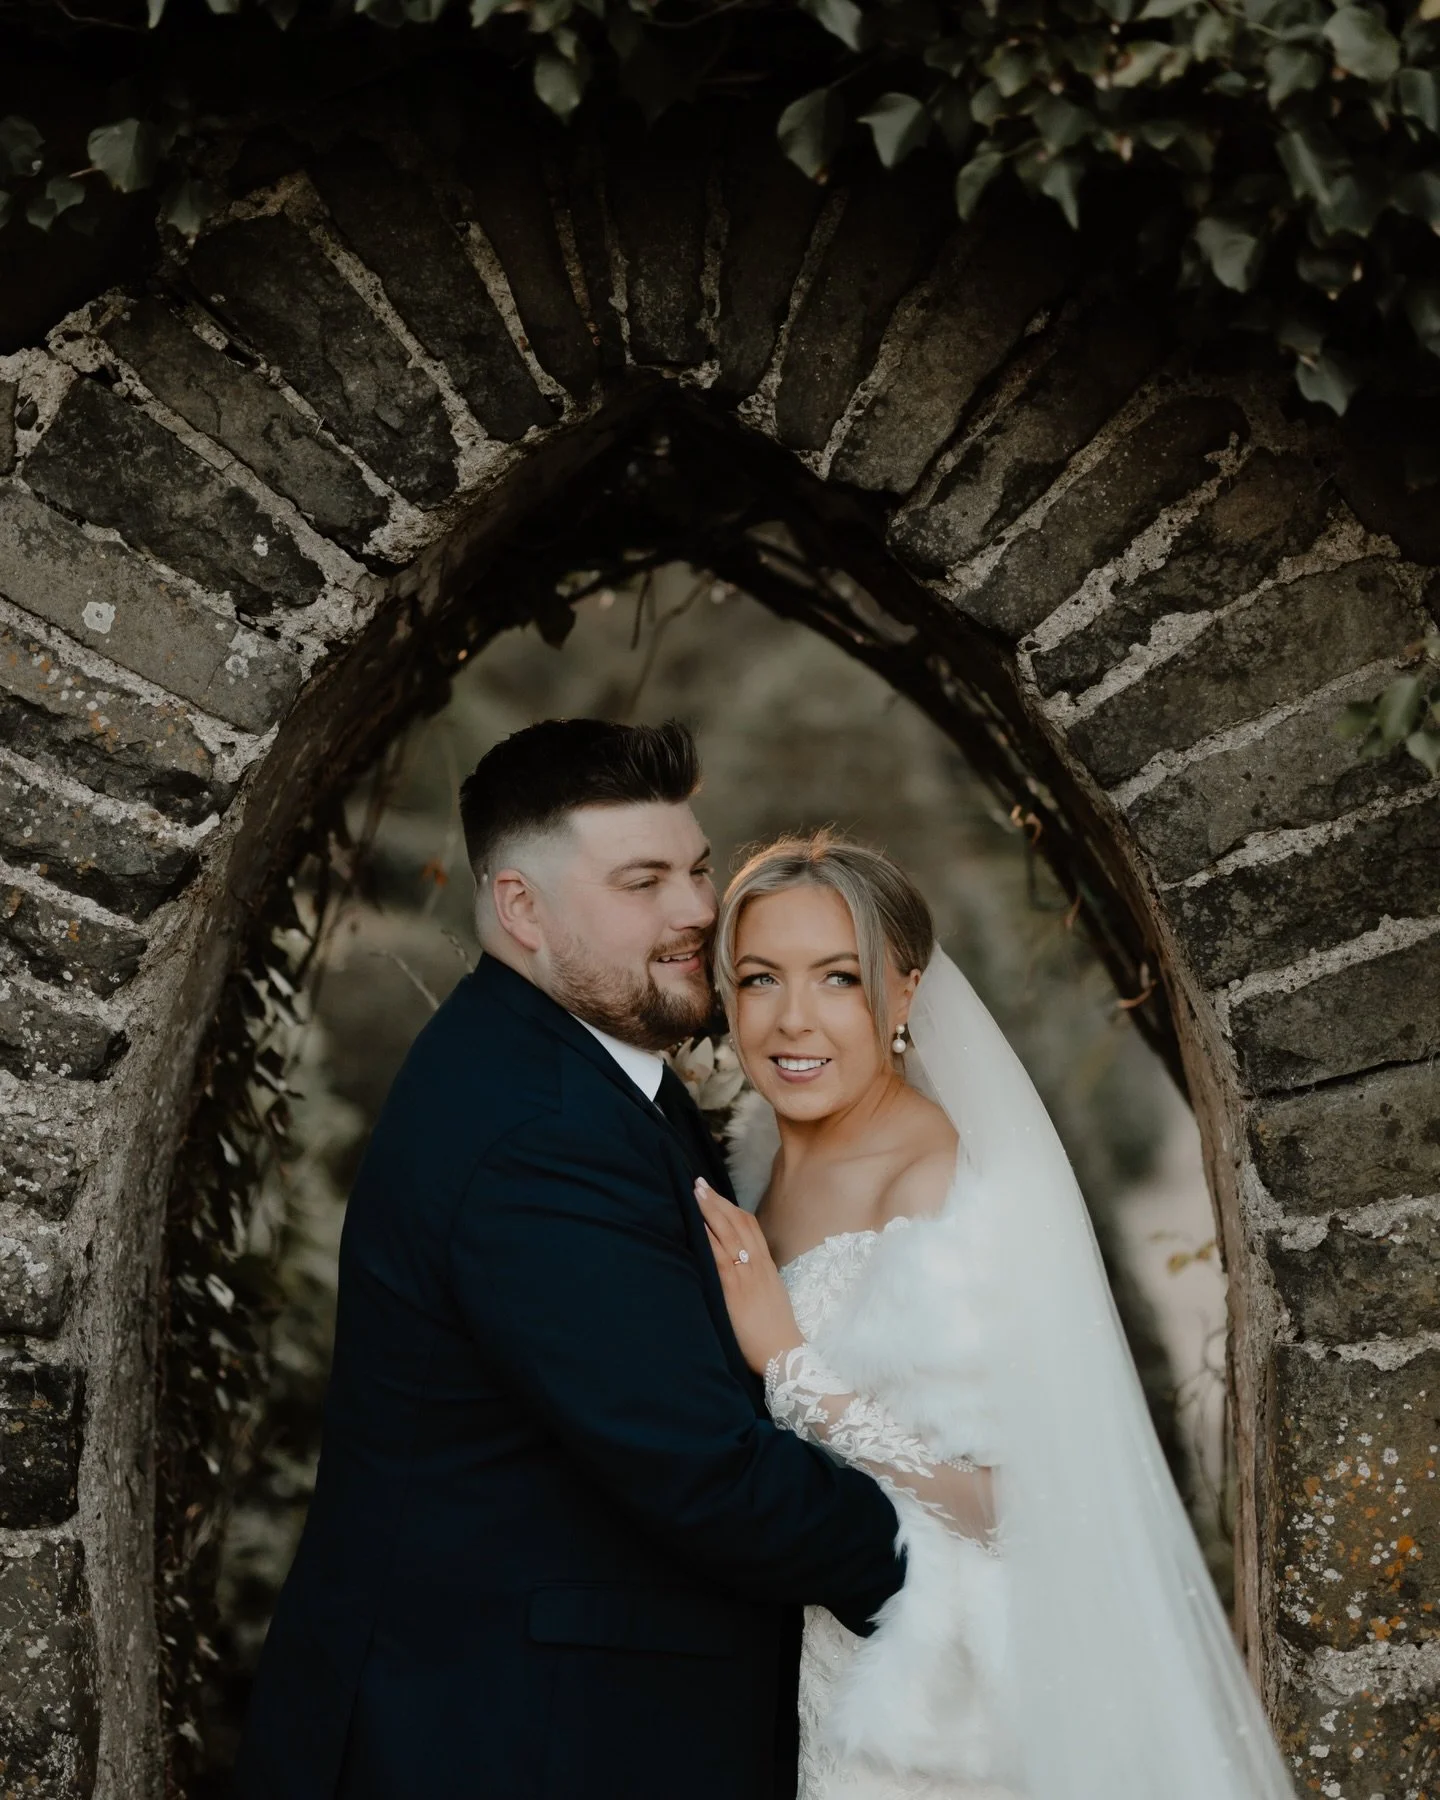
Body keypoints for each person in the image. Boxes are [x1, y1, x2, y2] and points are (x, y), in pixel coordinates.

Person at [234, 723, 905, 1800]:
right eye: (642, 882)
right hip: (503, 1740)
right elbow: (702, 1470)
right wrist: (941, 1568)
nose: (696, 911)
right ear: (521, 910)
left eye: (694, 869)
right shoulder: (534, 1134)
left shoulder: (589, 1075)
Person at [696, 832, 1299, 1800]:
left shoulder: (944, 1185)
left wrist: (793, 1371)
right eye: (761, 978)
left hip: (940, 1699)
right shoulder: (757, 1149)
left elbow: (1008, 1501)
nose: (792, 1020)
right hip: (807, 1660)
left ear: (905, 994)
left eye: (838, 979)